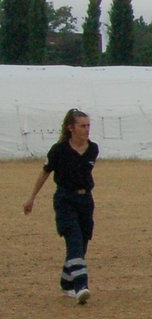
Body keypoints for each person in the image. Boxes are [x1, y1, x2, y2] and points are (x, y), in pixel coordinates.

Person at [23, 109, 98, 304]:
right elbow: (45, 173)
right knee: (73, 239)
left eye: (88, 125)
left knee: (81, 244)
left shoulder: (93, 149)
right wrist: (31, 198)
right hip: (65, 200)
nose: (87, 129)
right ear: (70, 128)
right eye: (82, 126)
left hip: (85, 201)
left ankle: (66, 283)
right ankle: (81, 285)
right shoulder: (59, 150)